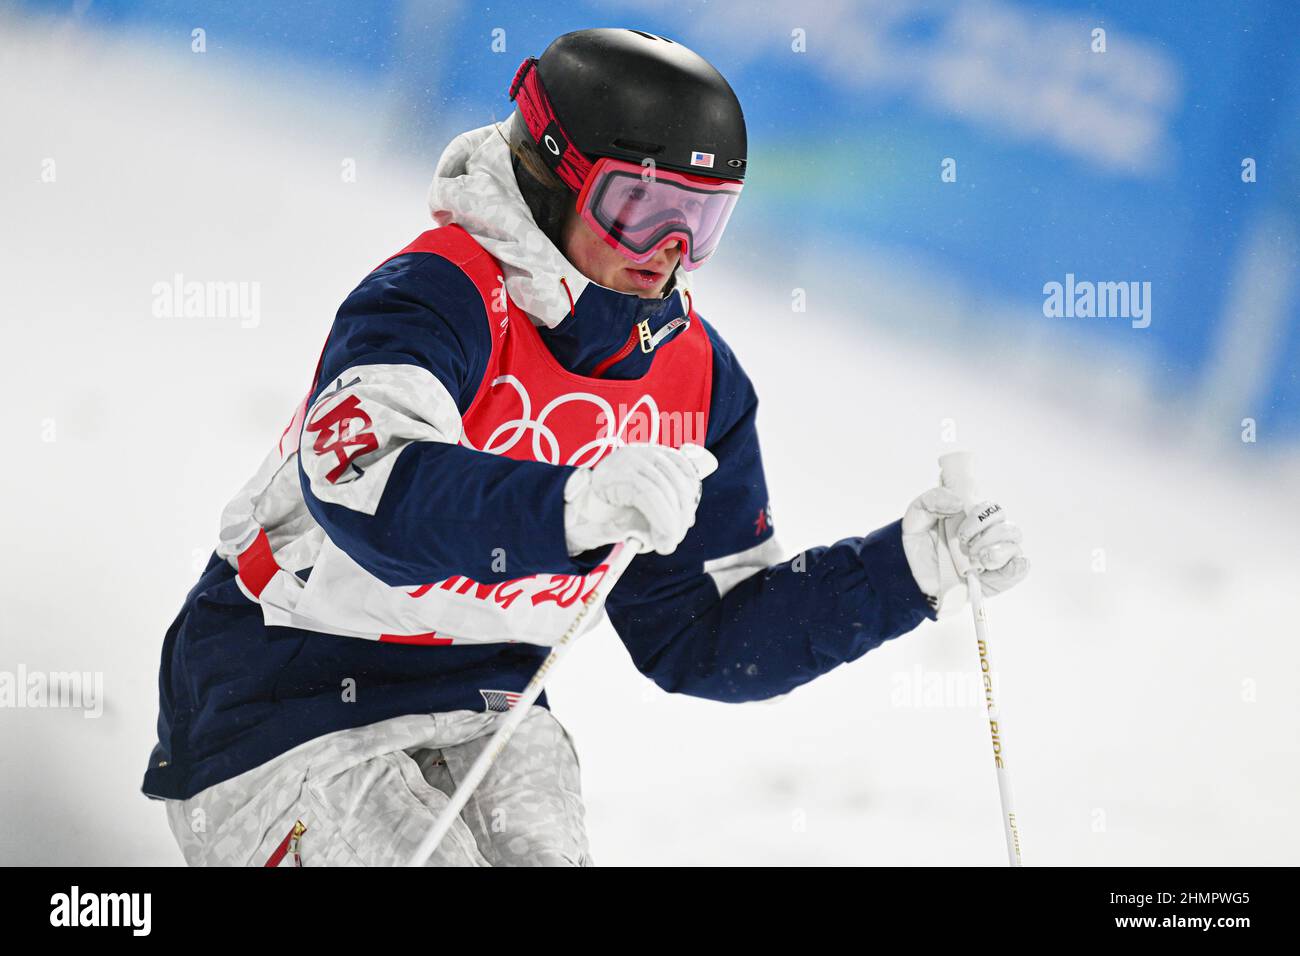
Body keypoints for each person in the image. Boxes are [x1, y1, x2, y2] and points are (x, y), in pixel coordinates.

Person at [143, 27, 1028, 867]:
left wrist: (906, 568)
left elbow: (703, 635)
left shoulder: (694, 380)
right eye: (639, 208)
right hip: (277, 695)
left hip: (486, 705)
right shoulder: (438, 295)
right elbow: (369, 488)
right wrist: (570, 506)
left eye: (702, 219)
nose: (668, 253)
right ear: (554, 179)